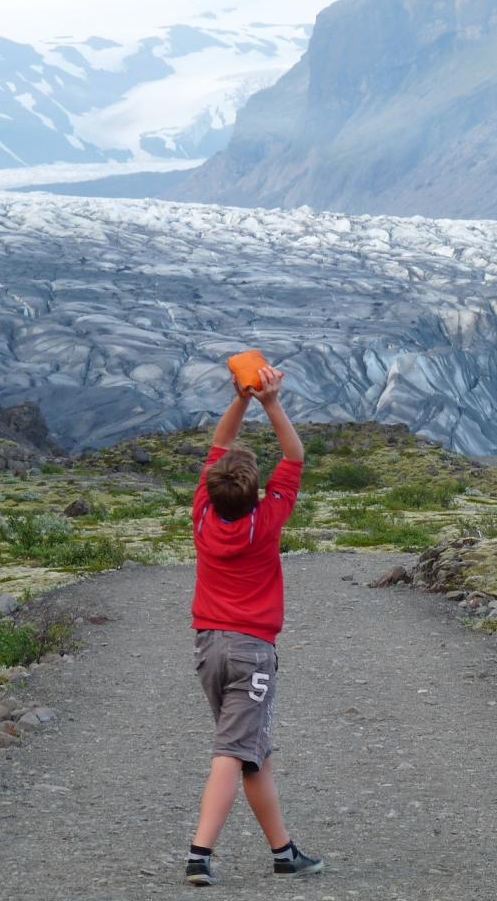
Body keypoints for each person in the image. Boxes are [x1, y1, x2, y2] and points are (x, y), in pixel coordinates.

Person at [183, 363, 322, 886]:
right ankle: (200, 854)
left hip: (208, 650)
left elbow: (219, 448)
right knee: (232, 751)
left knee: (252, 751)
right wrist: (270, 401)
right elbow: (295, 456)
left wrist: (239, 398)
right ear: (255, 494)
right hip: (252, 653)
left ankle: (283, 851)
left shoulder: (201, 515)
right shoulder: (266, 523)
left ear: (212, 491)